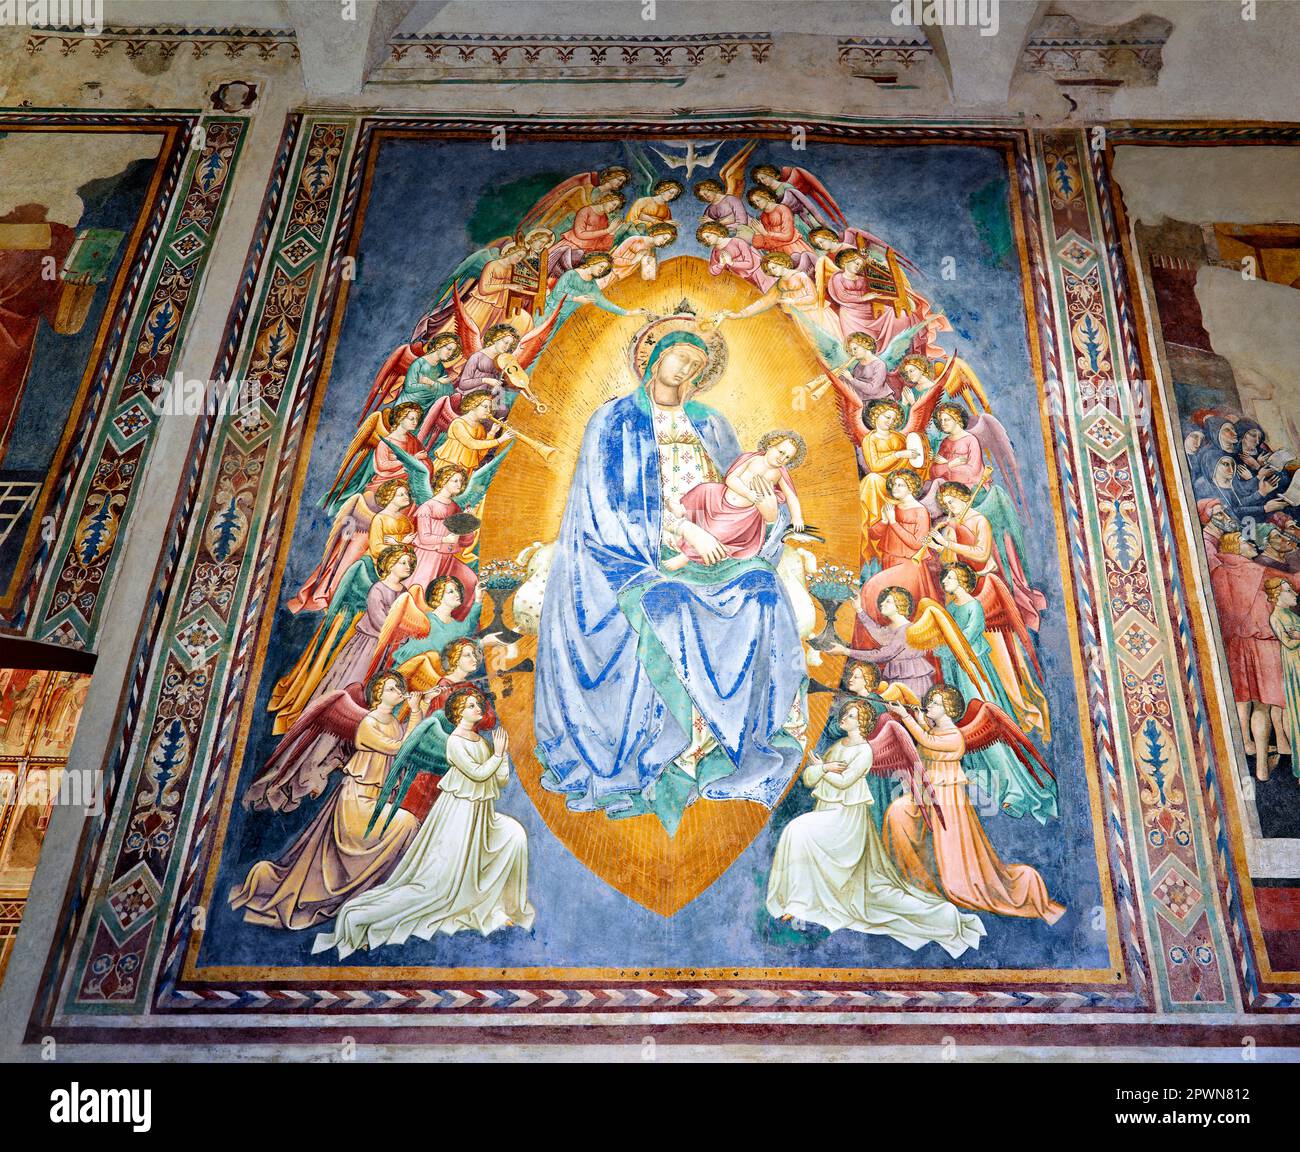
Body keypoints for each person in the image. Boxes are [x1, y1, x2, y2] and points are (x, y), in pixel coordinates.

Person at [534, 326, 806, 831]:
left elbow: (751, 493)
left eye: (693, 365)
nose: (682, 370)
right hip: (635, 550)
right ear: (653, 356)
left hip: (720, 546)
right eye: (676, 358)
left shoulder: (712, 422)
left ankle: (735, 744)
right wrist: (684, 531)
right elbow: (605, 502)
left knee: (763, 592)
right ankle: (670, 749)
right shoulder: (613, 419)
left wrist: (769, 516)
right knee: (667, 601)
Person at [313, 686, 534, 954]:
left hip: (482, 813)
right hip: (460, 812)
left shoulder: (484, 743)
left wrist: (502, 756)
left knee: (515, 834)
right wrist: (497, 756)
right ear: (458, 713)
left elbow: (499, 780)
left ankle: (501, 903)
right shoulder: (455, 742)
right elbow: (476, 774)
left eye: (478, 706)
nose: (479, 710)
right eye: (471, 706)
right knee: (439, 883)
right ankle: (366, 918)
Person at [766, 699, 985, 957]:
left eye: (850, 714)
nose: (844, 717)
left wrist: (822, 771)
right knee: (797, 832)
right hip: (827, 811)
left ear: (862, 722)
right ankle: (799, 900)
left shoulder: (864, 751)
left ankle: (800, 900)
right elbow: (808, 778)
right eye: (846, 713)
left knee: (797, 831)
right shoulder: (837, 746)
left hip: (847, 819)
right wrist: (823, 768)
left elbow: (846, 781)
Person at [230, 671, 427, 930]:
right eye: (392, 689)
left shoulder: (393, 723)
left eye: (399, 689)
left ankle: (375, 891)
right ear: (378, 694)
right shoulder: (368, 723)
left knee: (408, 825)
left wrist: (419, 711)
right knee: (406, 823)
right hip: (356, 798)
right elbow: (398, 747)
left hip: (376, 795)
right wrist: (414, 713)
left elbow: (406, 745)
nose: (398, 693)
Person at [883, 686, 1065, 924]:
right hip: (928, 794)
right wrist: (918, 718)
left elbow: (927, 741)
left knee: (948, 849)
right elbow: (928, 737)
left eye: (935, 703)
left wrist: (906, 717)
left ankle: (960, 884)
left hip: (947, 797)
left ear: (948, 709)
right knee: (897, 812)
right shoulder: (938, 730)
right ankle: (918, 879)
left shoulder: (954, 736)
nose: (930, 706)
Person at [663, 430, 806, 570]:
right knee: (704, 489)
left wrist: (797, 517)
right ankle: (680, 508)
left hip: (742, 514)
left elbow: (791, 496)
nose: (782, 458)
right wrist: (748, 493)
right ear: (770, 446)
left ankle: (686, 557)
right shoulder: (752, 459)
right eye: (781, 452)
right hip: (720, 497)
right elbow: (731, 478)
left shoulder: (780, 473)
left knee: (716, 531)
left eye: (787, 457)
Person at [1267, 578, 1300, 782]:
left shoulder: (1290, 614)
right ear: (1277, 595)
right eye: (1289, 591)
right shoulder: (1277, 616)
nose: (1295, 594)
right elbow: (1288, 642)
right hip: (1295, 668)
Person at [434, 389, 513, 472]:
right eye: (485, 407)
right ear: (473, 405)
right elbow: (472, 444)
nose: (489, 411)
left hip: (466, 470)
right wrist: (499, 440)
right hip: (448, 466)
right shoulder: (459, 423)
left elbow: (481, 453)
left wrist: (492, 432)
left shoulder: (480, 428)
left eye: (490, 408)